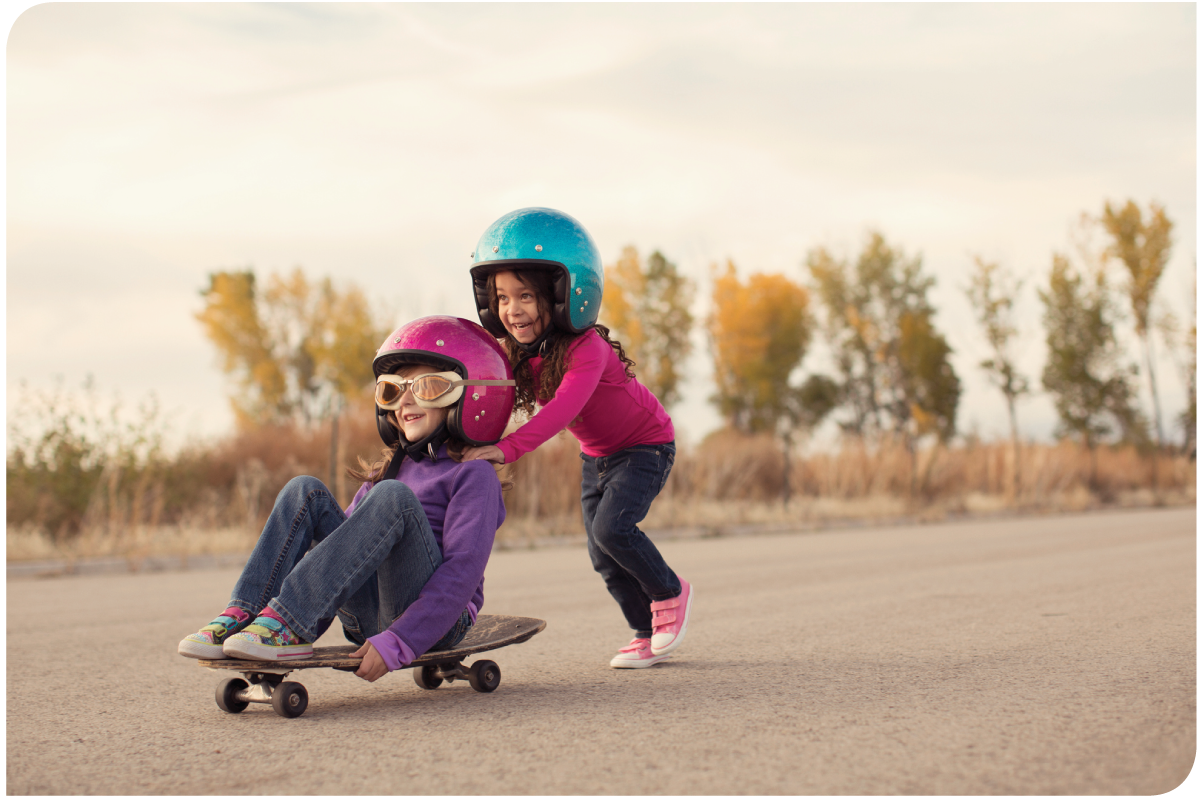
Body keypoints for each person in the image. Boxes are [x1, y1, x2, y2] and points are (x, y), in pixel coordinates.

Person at [177, 316, 515, 682]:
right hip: (367, 616)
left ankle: (286, 623)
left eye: (427, 387)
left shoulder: (472, 474)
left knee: (392, 497)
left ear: (470, 394)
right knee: (303, 490)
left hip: (439, 621)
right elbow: (341, 555)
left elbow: (462, 573)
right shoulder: (389, 472)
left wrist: (400, 642)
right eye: (392, 390)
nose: (405, 401)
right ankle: (248, 614)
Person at [462, 207, 693, 669]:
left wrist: (507, 449)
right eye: (502, 298)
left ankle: (671, 592)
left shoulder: (588, 349)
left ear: (565, 294)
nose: (512, 310)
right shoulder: (520, 353)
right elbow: (486, 393)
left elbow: (563, 409)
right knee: (602, 555)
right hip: (598, 457)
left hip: (645, 446)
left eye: (525, 296)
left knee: (613, 529)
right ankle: (644, 633)